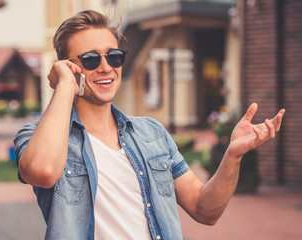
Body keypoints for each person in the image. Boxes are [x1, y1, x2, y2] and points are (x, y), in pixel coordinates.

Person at [14, 10, 285, 240]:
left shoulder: (151, 133)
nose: (106, 67)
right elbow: (43, 171)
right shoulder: (37, 136)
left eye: (114, 56)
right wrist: (63, 84)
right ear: (68, 67)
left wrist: (232, 155)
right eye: (91, 59)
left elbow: (205, 210)